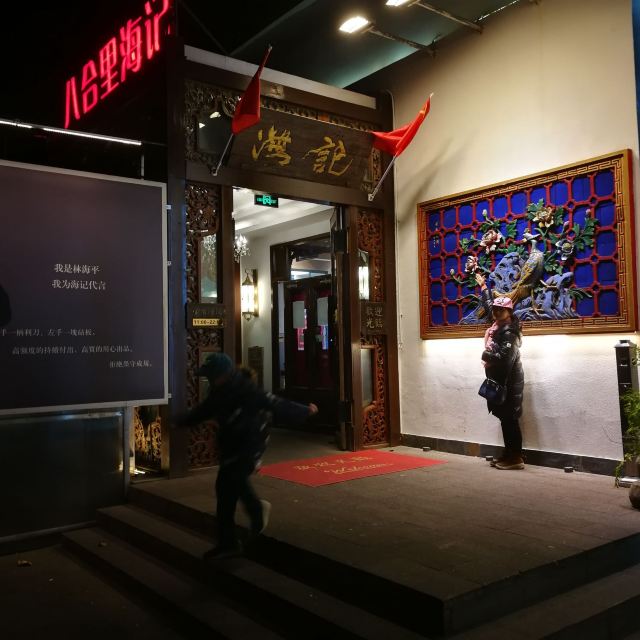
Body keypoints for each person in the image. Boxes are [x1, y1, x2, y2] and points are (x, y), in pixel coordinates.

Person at [175, 352, 318, 559]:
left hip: (248, 446)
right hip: (231, 446)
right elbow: (202, 412)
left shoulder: (246, 389)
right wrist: (180, 421)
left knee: (234, 480)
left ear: (223, 374)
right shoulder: (218, 393)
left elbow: (276, 403)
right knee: (225, 492)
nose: (210, 380)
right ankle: (229, 542)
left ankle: (255, 513)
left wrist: (304, 411)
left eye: (212, 375)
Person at [475, 274, 525, 470]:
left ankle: (516, 458)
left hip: (509, 384)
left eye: (500, 309)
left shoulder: (509, 333)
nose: (495, 312)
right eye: (495, 309)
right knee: (505, 420)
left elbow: (504, 359)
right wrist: (483, 286)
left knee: (510, 420)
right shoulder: (499, 326)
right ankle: (508, 453)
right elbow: (489, 305)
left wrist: (485, 354)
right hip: (502, 382)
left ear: (509, 311)